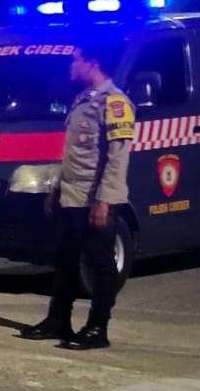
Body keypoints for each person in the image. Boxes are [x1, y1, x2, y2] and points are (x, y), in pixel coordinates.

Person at [20, 39, 134, 349]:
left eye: (76, 60)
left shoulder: (115, 103)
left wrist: (104, 200)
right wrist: (56, 189)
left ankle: (98, 329)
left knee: (100, 264)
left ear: (93, 64)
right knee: (65, 260)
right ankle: (58, 320)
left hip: (93, 199)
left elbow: (117, 158)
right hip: (70, 196)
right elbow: (71, 154)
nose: (71, 66)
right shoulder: (82, 99)